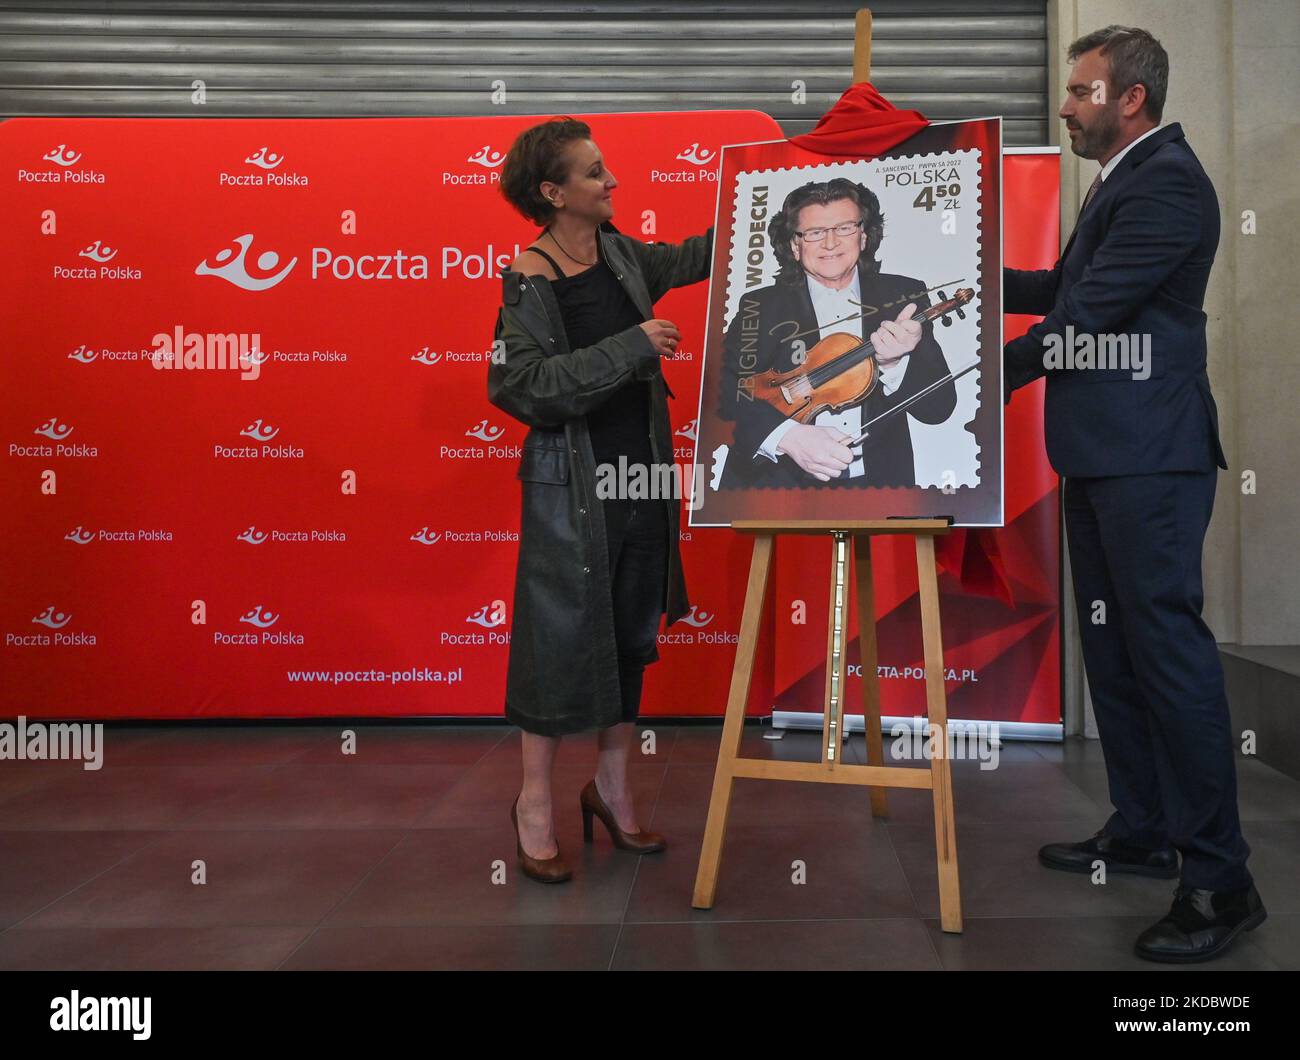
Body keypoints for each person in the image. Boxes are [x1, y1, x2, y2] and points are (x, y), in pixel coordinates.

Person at [1004, 25, 1265, 962]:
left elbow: (1081, 322)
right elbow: (1060, 285)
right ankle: (1147, 828)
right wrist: (967, 280)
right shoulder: (1124, 179)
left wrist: (962, 386)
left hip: (1150, 459)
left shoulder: (1166, 185)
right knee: (1114, 653)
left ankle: (1221, 883)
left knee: (1166, 658)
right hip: (1104, 454)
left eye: (1081, 92)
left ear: (1131, 100)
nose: (1067, 106)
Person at [489, 116, 712, 883]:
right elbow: (520, 387)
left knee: (627, 638)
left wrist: (777, 196)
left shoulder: (621, 253)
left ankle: (611, 791)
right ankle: (533, 806)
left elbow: (693, 255)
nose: (611, 181)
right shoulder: (529, 276)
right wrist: (633, 345)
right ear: (553, 193)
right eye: (593, 173)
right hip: (569, 494)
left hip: (642, 482)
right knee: (554, 652)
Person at [717, 177, 956, 488]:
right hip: (778, 486)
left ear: (864, 237)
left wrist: (895, 365)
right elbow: (723, 393)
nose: (830, 243)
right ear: (795, 245)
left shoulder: (904, 295)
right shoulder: (758, 306)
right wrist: (787, 436)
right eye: (815, 233)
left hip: (877, 485)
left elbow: (938, 409)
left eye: (844, 228)